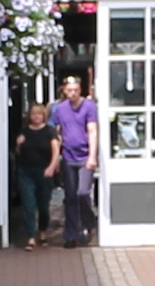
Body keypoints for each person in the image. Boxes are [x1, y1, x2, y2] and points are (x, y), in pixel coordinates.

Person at [48, 74, 100, 247]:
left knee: (82, 193)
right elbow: (56, 133)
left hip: (84, 156)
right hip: (68, 157)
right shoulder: (60, 109)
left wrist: (92, 156)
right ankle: (71, 235)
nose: (73, 93)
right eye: (69, 90)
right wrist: (55, 158)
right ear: (64, 91)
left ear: (80, 90)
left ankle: (88, 223)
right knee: (70, 196)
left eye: (76, 90)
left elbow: (92, 130)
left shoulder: (89, 106)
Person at [10, 99, 58, 247]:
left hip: (44, 171)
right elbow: (18, 153)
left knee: (43, 205)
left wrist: (52, 167)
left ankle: (42, 232)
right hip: (26, 172)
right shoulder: (24, 131)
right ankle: (31, 236)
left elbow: (56, 150)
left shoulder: (49, 131)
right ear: (29, 116)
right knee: (29, 205)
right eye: (33, 114)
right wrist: (18, 144)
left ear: (43, 116)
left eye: (39, 114)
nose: (36, 117)